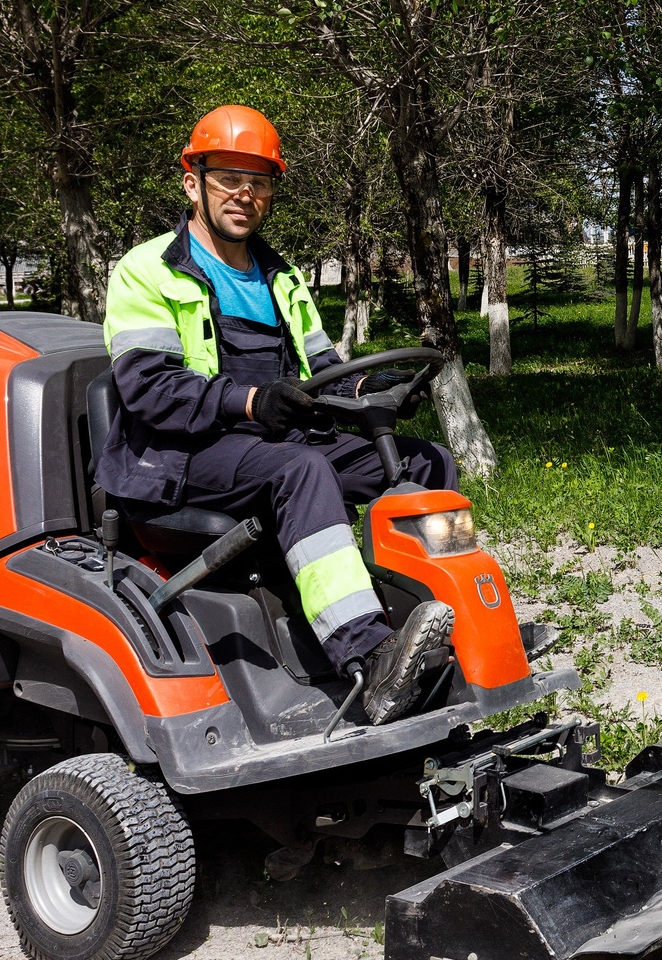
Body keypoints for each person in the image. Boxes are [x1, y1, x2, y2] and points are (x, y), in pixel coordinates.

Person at [96, 105, 459, 723]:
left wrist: (381, 385)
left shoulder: (281, 277)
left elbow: (324, 370)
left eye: (259, 181)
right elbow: (151, 389)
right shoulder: (147, 270)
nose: (245, 194)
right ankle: (370, 660)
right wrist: (252, 401)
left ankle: (430, 620)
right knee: (300, 470)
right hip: (177, 457)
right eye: (229, 178)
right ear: (193, 182)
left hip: (270, 442)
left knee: (426, 461)